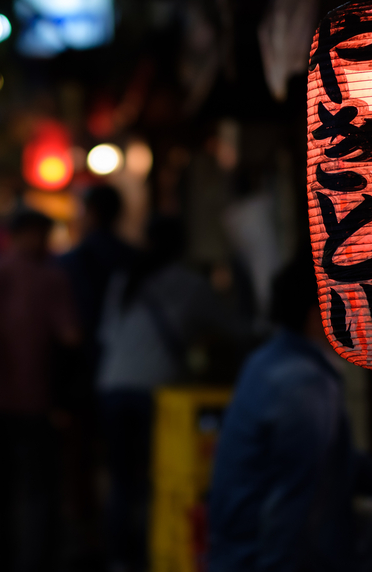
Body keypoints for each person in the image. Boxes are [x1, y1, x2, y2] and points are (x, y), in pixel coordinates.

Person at [208, 256, 372, 572]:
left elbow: (328, 464)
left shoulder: (268, 360)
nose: (360, 317)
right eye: (349, 304)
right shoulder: (304, 383)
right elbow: (291, 509)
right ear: (317, 317)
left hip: (237, 555)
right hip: (258, 559)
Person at [98, 216, 253, 572]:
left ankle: (121, 558)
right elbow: (234, 329)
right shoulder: (190, 284)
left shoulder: (125, 281)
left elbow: (105, 336)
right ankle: (158, 552)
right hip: (157, 391)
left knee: (121, 480)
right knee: (162, 476)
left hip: (111, 386)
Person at [0, 209, 81, 572]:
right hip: (35, 400)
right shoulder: (50, 279)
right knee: (40, 491)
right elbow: (70, 336)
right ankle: (36, 562)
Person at [57, 185, 134, 563]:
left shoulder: (69, 263)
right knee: (126, 467)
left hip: (78, 377)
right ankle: (122, 543)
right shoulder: (133, 259)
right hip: (130, 373)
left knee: (80, 464)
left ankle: (89, 540)